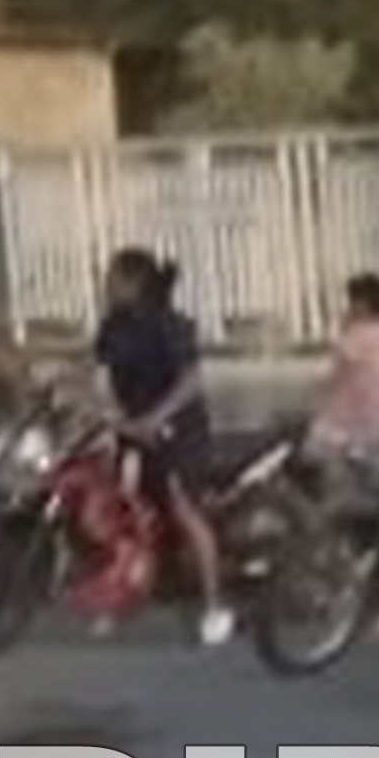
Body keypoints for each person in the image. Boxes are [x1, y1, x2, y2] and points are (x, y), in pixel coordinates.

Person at [84, 249, 237, 644]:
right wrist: (107, 411)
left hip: (177, 431)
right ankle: (122, 602)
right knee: (126, 517)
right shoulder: (112, 325)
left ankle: (214, 606)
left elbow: (191, 381)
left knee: (183, 509)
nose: (106, 284)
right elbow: (100, 375)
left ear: (132, 282)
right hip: (131, 432)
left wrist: (157, 417)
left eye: (112, 277)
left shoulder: (171, 324)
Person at [311, 272, 379, 456]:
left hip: (352, 415)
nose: (349, 307)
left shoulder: (356, 333)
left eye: (353, 301)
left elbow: (338, 374)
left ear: (365, 303)